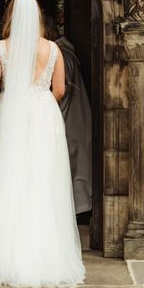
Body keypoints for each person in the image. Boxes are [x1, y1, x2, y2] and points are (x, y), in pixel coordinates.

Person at [0, 0, 85, 288]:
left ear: (11, 16)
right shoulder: (53, 49)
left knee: (8, 178)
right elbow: (58, 90)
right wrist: (37, 97)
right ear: (39, 17)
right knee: (43, 181)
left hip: (12, 113)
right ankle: (45, 253)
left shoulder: (1, 47)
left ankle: (5, 254)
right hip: (44, 116)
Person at [44, 18, 93, 220]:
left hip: (71, 124)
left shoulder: (62, 55)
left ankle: (80, 210)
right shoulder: (61, 52)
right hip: (72, 122)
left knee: (75, 171)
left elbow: (60, 90)